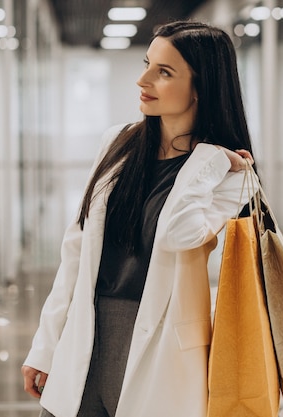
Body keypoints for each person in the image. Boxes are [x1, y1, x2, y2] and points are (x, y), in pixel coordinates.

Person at [22, 20, 257, 417]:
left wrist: (210, 159)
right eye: (148, 63)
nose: (143, 79)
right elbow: (76, 251)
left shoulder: (231, 175)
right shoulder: (118, 143)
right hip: (88, 331)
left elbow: (178, 233)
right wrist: (45, 345)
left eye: (163, 72)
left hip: (161, 348)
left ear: (201, 88)